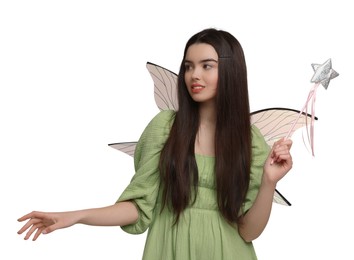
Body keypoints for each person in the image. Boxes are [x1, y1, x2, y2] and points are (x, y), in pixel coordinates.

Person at [17, 28, 293, 260]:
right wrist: (76, 216)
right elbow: (138, 206)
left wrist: (269, 181)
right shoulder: (165, 128)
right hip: (168, 249)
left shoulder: (250, 142)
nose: (194, 75)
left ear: (232, 71)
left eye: (207, 65)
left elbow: (248, 231)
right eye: (188, 66)